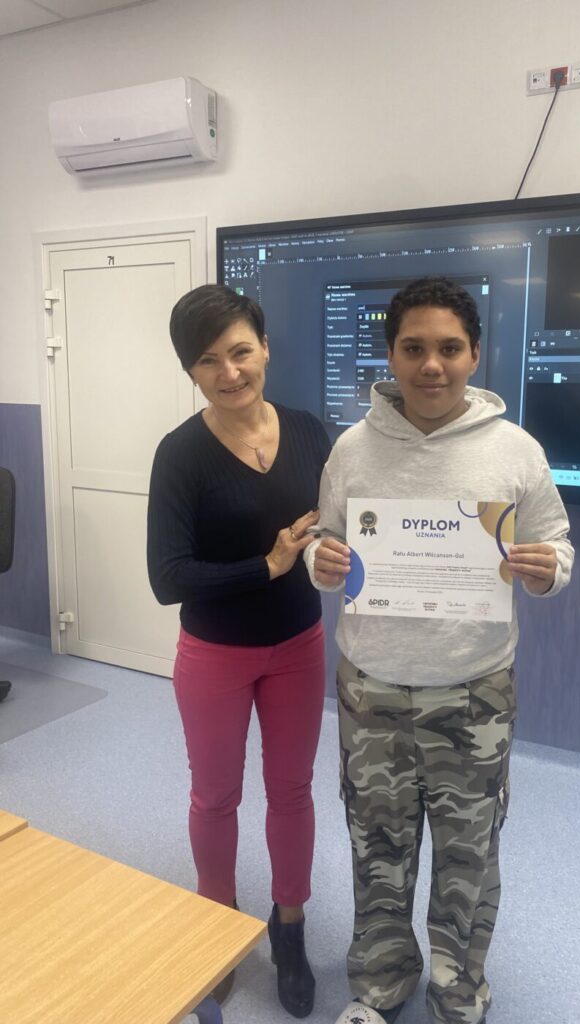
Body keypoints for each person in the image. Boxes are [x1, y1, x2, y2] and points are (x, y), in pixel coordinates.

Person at [305, 277, 574, 1024]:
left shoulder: (515, 451)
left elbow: (556, 545)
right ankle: (381, 987)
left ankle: (458, 996)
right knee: (376, 849)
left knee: (468, 858)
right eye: (414, 348)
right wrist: (320, 561)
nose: (432, 365)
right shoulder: (352, 449)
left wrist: (548, 569)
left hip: (474, 693)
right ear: (390, 356)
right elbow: (326, 539)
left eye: (449, 348)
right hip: (372, 690)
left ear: (474, 354)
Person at [147, 284, 331, 1019]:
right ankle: (214, 928)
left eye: (241, 351)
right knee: (216, 796)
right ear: (190, 371)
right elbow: (168, 578)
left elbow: (343, 525)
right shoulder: (180, 454)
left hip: (298, 645)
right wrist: (266, 566)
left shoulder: (311, 432)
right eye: (207, 361)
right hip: (215, 655)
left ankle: (290, 928)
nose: (229, 372)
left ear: (265, 349)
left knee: (291, 792)